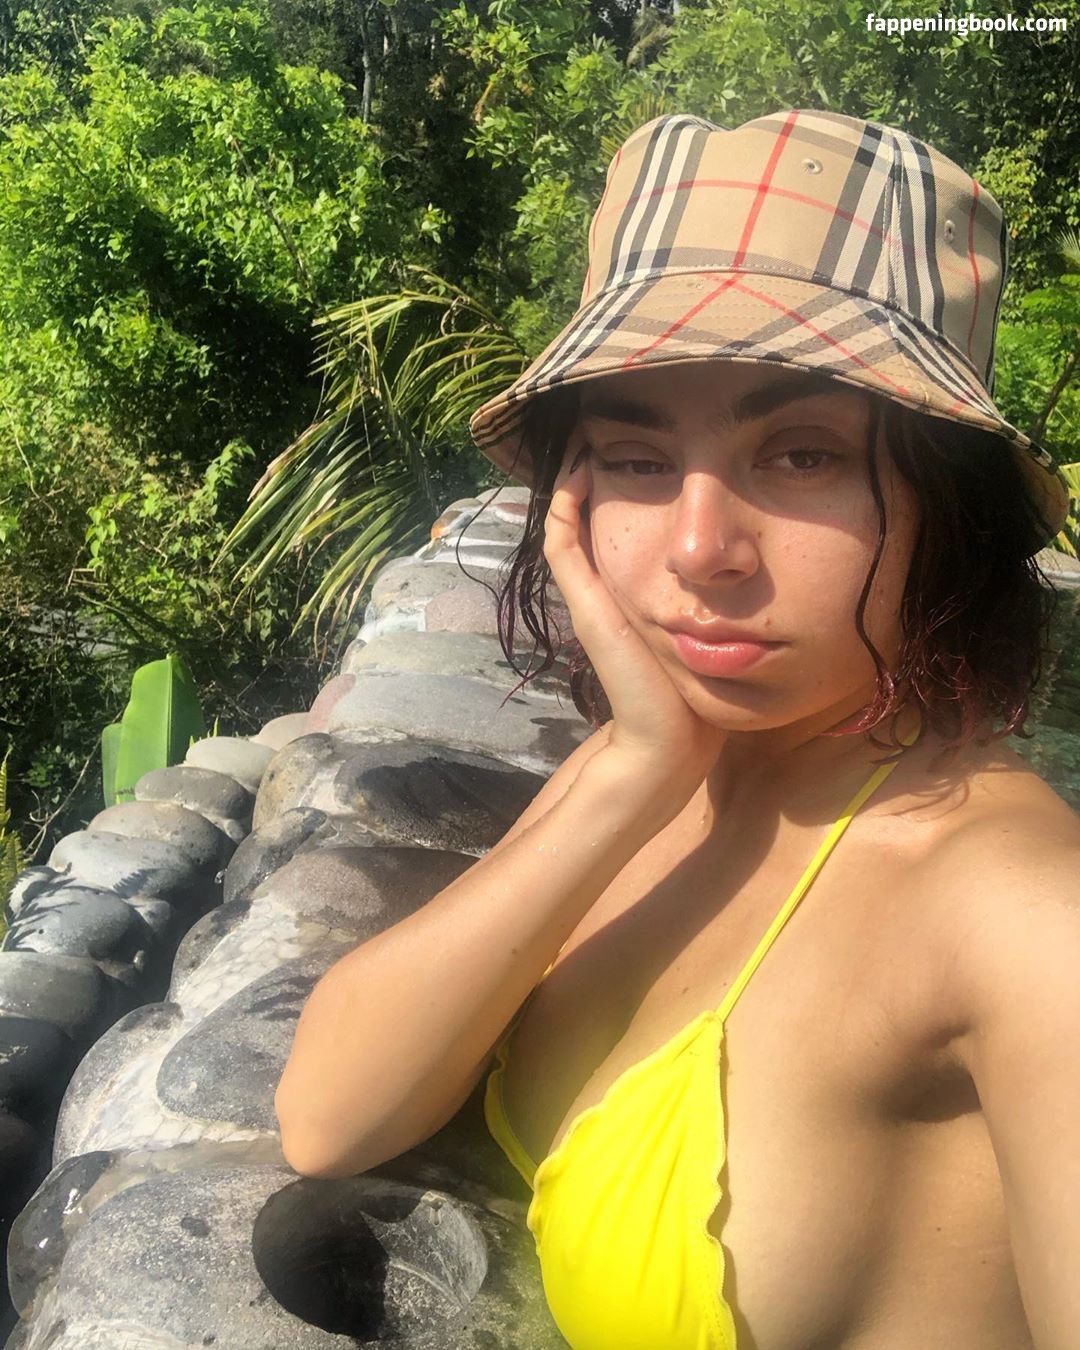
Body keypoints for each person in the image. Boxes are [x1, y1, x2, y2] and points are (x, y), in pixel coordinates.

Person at [276, 111, 1080, 1349]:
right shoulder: (667, 766)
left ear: (948, 508)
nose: (702, 549)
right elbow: (330, 1116)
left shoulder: (1020, 918)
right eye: (638, 460)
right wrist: (636, 766)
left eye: (802, 456)